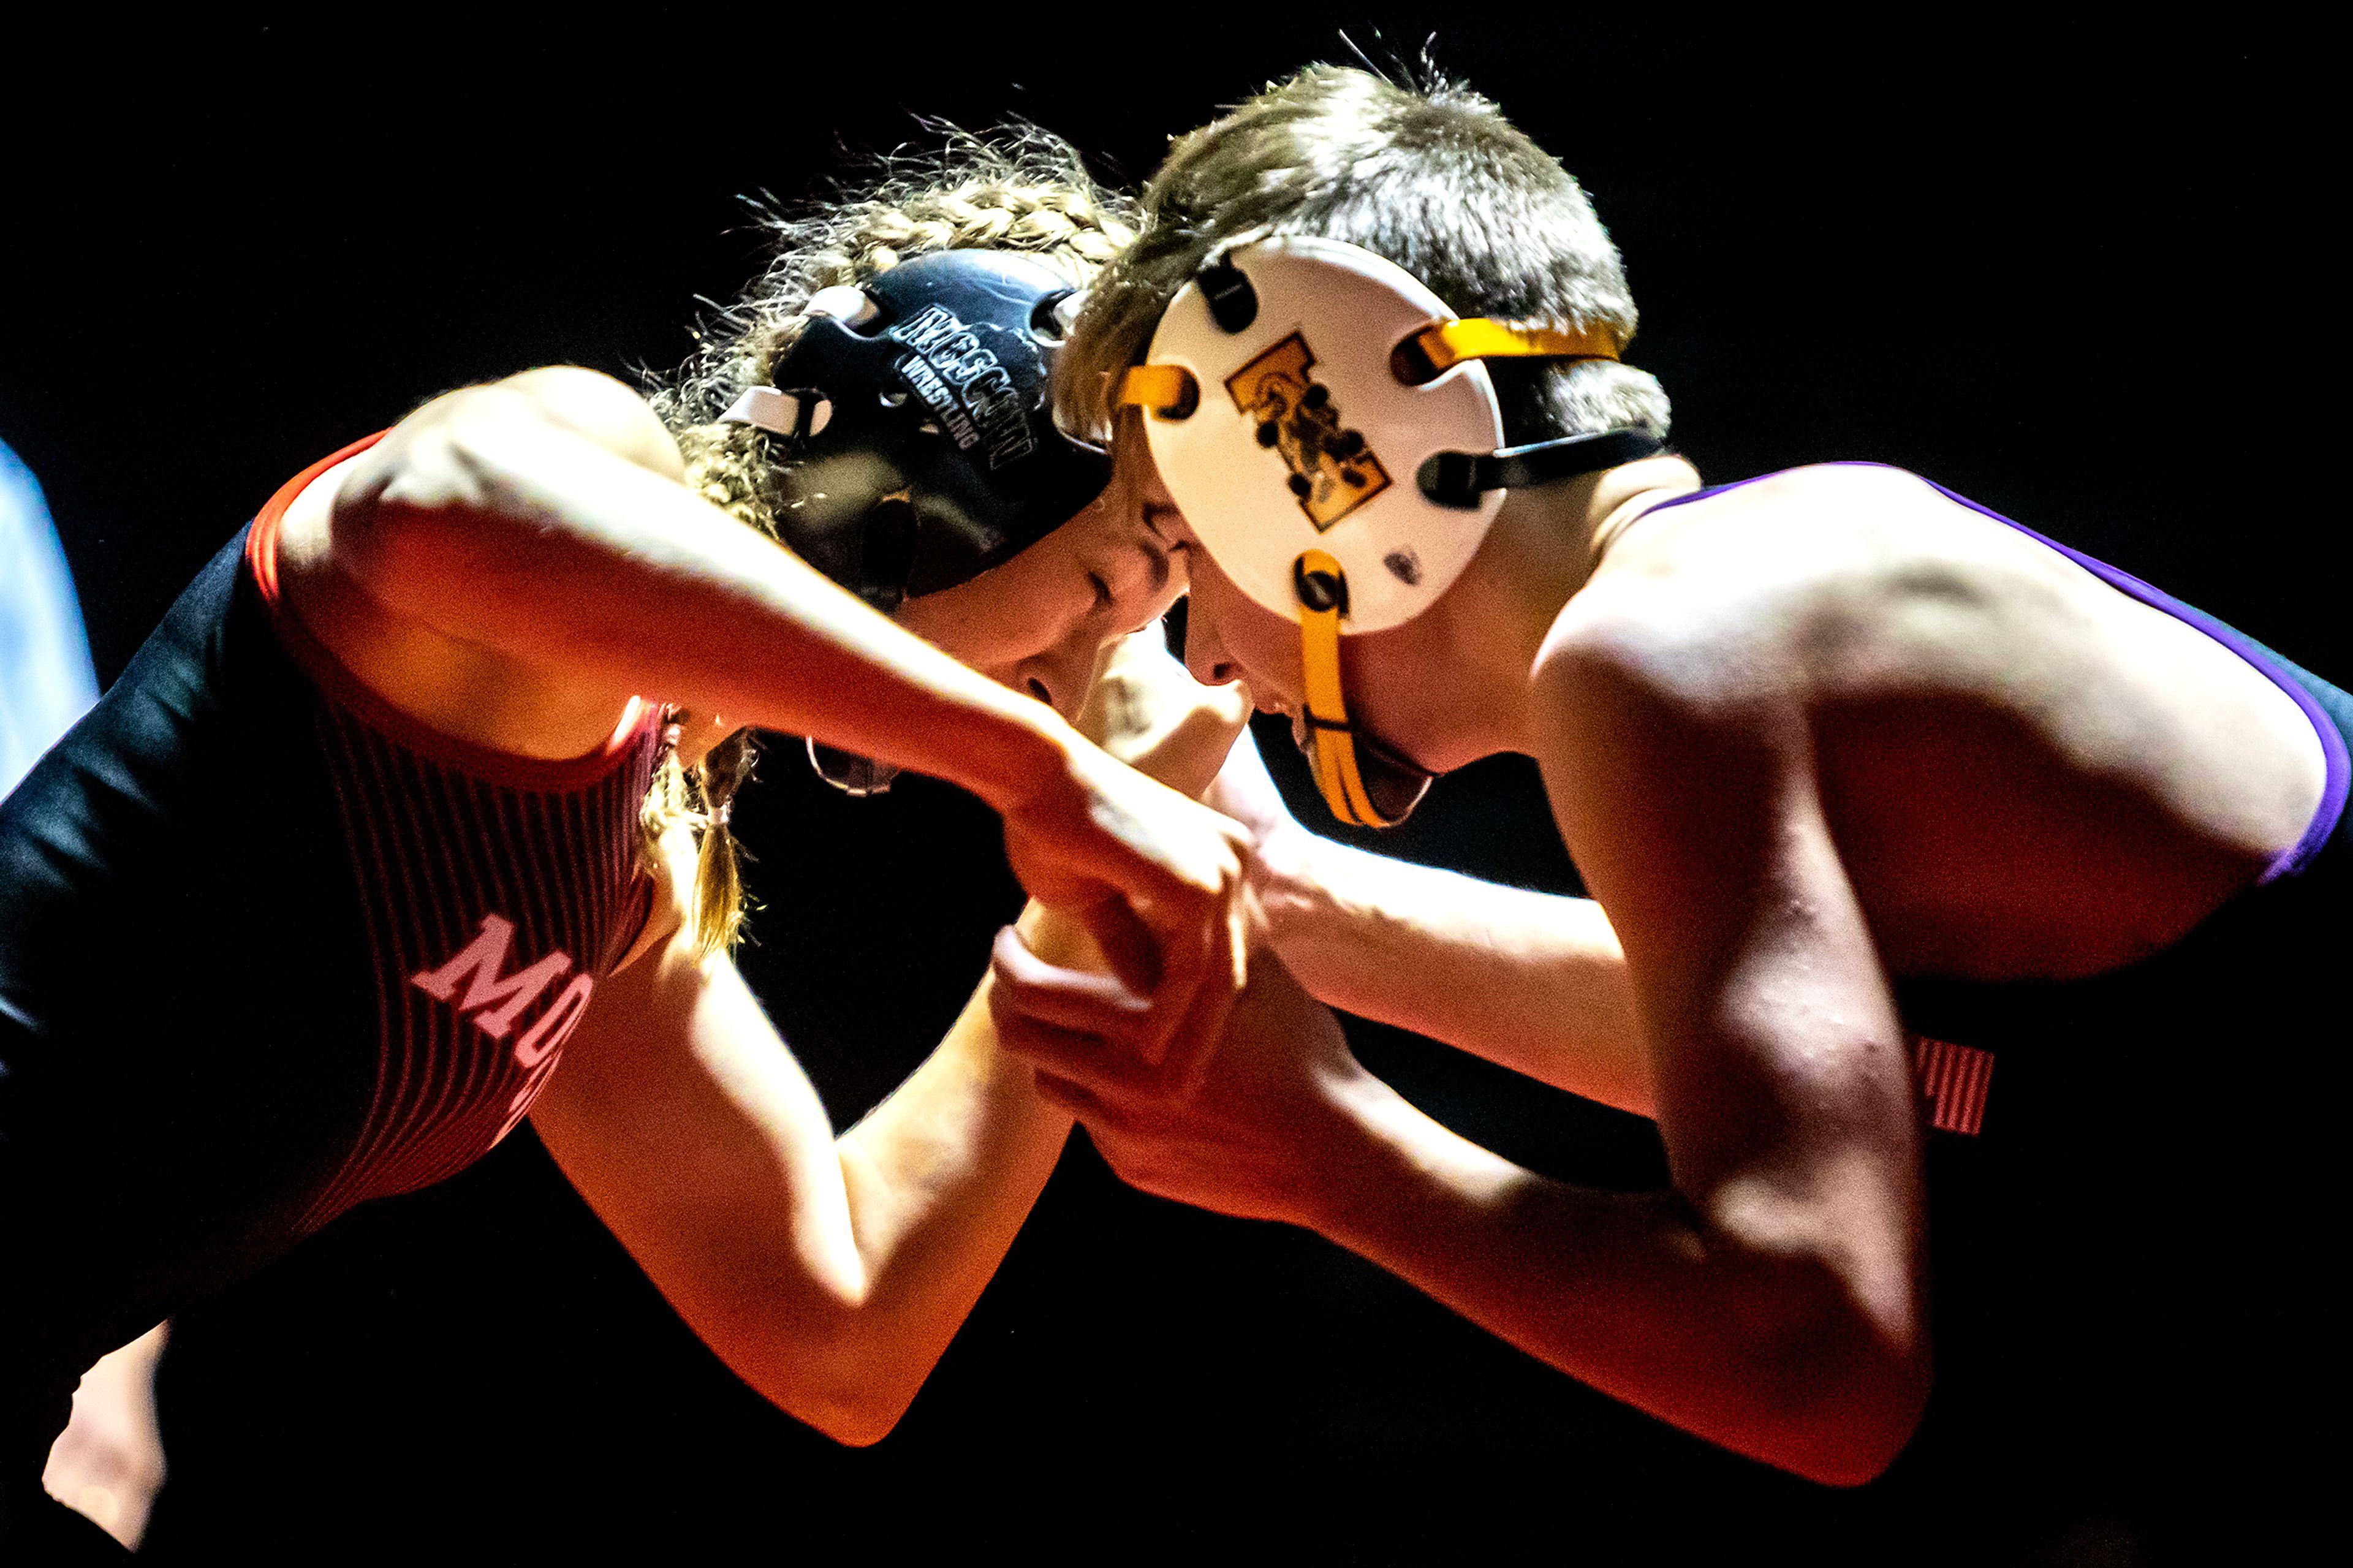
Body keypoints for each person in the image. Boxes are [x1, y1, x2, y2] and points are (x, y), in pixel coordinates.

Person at [991, 65, 2339, 1553]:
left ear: (1331, 462)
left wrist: (1330, 1150)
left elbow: (1820, 1362)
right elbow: (1931, 1076)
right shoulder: (1784, 556)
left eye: (1190, 541)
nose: (1212, 650)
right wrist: (1293, 908)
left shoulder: (1658, 662)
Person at [1, 134, 1250, 1561]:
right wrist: (1037, 774)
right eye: (1106, 586)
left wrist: (1081, 904)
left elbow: (835, 1325)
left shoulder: (623, 863)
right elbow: (432, 505)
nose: (1090, 672)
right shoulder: (591, 453)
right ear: (935, 497)